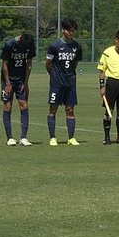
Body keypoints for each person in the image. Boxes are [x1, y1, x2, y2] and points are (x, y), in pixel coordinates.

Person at [46, 18, 83, 146]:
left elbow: (75, 63)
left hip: (70, 83)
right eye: (69, 30)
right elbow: (48, 64)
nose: (71, 33)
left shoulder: (77, 47)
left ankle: (71, 138)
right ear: (63, 30)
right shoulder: (55, 45)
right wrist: (55, 76)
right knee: (53, 109)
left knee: (70, 109)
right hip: (56, 83)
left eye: (73, 31)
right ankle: (52, 137)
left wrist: (69, 76)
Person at [0, 31, 36, 146]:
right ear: (20, 39)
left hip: (21, 79)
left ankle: (23, 138)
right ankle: (10, 138)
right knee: (7, 105)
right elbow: (4, 64)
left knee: (24, 104)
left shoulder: (30, 44)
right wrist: (8, 83)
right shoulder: (10, 45)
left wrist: (26, 82)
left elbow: (29, 64)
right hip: (8, 79)